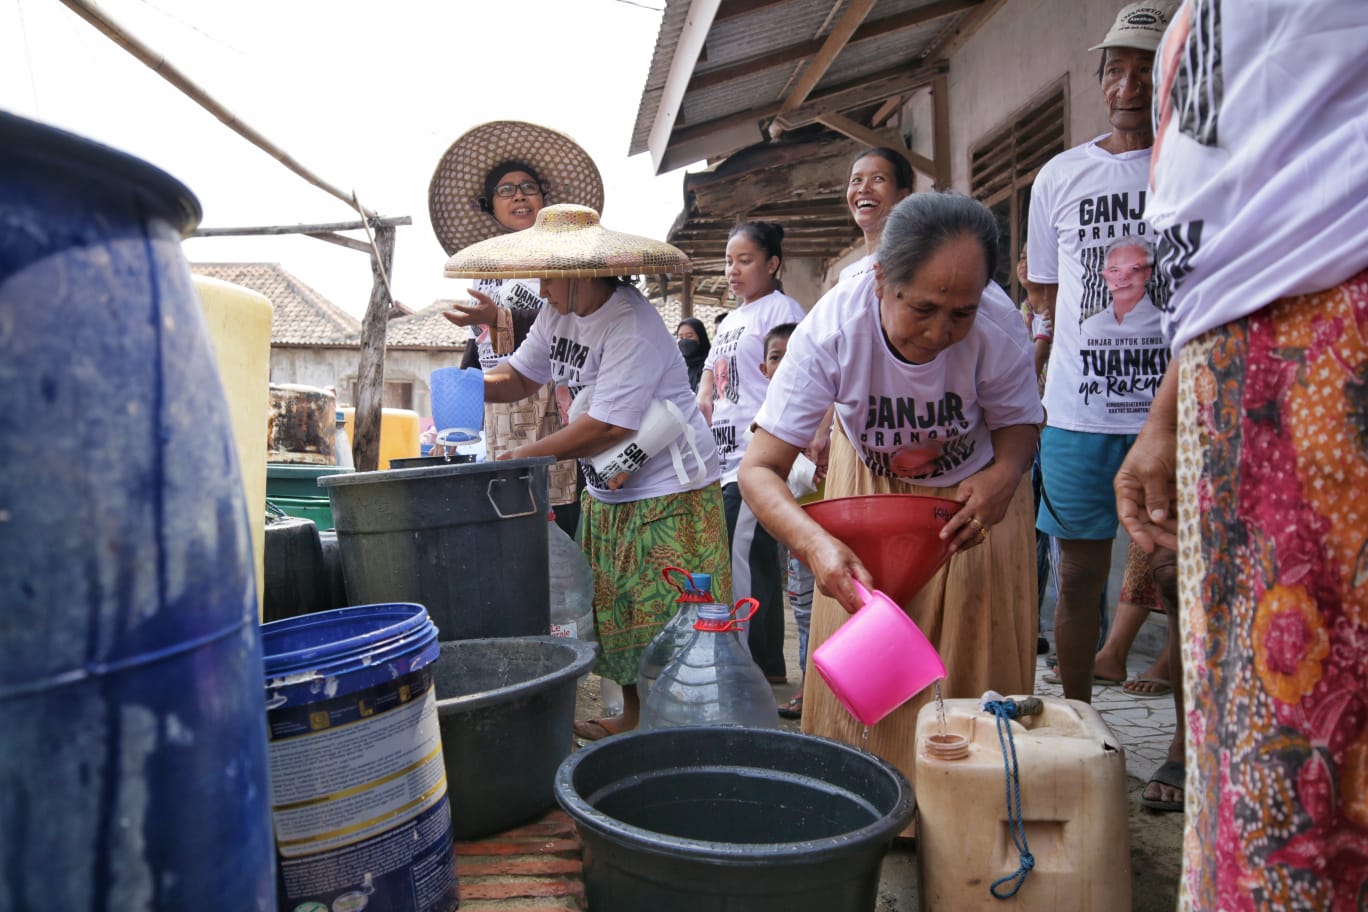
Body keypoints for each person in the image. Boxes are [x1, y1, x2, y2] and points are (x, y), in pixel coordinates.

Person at [1118, 1, 1368, 904]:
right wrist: (1170, 410)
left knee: (1316, 775)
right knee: (1255, 775)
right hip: (1229, 371)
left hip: (1334, 337)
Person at [739, 191, 1044, 807]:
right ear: (881, 280)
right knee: (870, 658)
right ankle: (872, 807)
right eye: (924, 309)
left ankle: (968, 812)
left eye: (961, 313)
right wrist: (817, 546)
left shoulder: (997, 324)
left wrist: (1005, 476)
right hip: (870, 493)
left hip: (971, 502)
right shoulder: (831, 329)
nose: (940, 333)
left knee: (968, 666)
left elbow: (1018, 426)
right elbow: (759, 471)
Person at [443, 204, 729, 741]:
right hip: (611, 486)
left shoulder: (632, 322)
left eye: (549, 276)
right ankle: (635, 721)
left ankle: (677, 730)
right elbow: (519, 377)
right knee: (620, 607)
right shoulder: (559, 314)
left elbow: (607, 427)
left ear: (580, 274)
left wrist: (526, 455)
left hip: (670, 490)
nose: (542, 288)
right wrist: (463, 385)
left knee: (667, 614)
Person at [1026, 0, 1177, 704]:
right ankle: (1081, 723)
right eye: (1115, 71)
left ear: (1174, 73)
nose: (1128, 87)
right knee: (1078, 575)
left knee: (1182, 574)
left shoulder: (1193, 163)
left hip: (1172, 413)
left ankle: (1181, 748)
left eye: (1144, 70)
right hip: (1079, 415)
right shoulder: (1059, 177)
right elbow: (1046, 297)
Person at [429, 120, 603, 538]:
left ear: (544, 199)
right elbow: (481, 343)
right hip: (499, 409)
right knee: (507, 510)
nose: (519, 195)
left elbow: (563, 324)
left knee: (553, 509)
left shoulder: (558, 262)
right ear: (489, 205)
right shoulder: (488, 266)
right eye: (505, 190)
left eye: (528, 187)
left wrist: (498, 318)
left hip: (547, 399)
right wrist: (455, 402)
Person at [697, 222, 807, 683]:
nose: (733, 271)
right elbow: (708, 382)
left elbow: (801, 376)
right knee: (743, 554)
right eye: (729, 261)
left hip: (755, 455)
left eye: (745, 261)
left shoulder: (782, 311)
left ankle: (755, 665)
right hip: (723, 457)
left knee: (743, 553)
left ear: (772, 263)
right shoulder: (732, 320)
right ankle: (762, 662)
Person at [753, 322, 823, 719]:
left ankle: (827, 689)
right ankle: (809, 687)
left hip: (837, 525)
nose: (783, 363)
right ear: (763, 369)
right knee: (805, 610)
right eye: (775, 356)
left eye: (790, 354)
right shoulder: (768, 416)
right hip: (800, 530)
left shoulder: (826, 402)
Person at [674, 317, 711, 392]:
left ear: (701, 337)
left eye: (689, 336)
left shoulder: (710, 364)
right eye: (681, 337)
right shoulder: (677, 365)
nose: (684, 340)